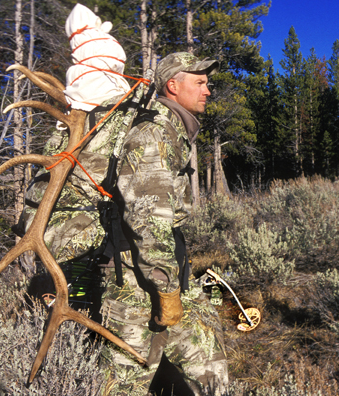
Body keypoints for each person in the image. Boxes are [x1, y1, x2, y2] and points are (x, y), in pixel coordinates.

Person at [95, 51, 229, 395]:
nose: (207, 91)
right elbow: (148, 219)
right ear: (173, 85)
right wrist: (167, 290)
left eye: (207, 83)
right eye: (199, 82)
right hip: (137, 285)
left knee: (210, 370)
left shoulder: (173, 133)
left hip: (169, 272)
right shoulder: (154, 136)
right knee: (124, 386)